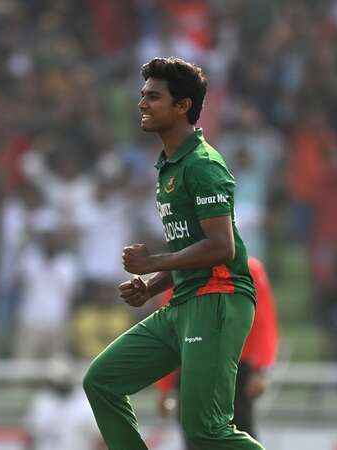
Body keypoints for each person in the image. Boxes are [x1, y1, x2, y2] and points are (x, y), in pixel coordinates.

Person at [82, 57, 265, 450]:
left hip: (218, 298)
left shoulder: (203, 165)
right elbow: (190, 249)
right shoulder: (169, 166)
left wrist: (153, 263)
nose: (142, 104)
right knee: (102, 381)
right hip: (183, 301)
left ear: (182, 106)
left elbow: (221, 248)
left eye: (153, 96)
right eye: (142, 95)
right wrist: (152, 286)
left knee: (204, 431)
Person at [155, 256, 279, 446]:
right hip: (193, 370)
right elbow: (170, 328)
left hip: (234, 371)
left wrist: (261, 370)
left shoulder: (247, 269)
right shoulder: (181, 270)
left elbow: (262, 321)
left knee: (240, 434)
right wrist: (164, 387)